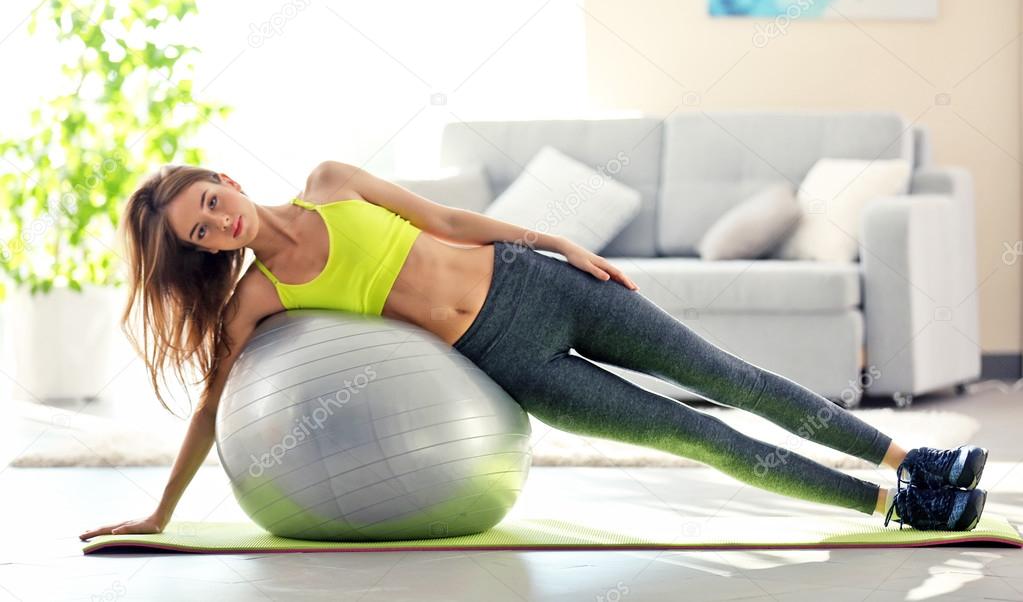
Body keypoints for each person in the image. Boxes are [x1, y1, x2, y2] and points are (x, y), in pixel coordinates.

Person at [79, 161, 989, 541]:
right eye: (201, 235)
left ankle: (919, 457)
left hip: (539, 285)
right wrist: (161, 512)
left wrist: (557, 245)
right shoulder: (261, 300)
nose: (216, 225)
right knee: (699, 437)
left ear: (222, 179)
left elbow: (443, 221)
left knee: (730, 379)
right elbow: (211, 406)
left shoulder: (331, 182)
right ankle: (898, 504)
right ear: (203, 254)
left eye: (207, 203)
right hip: (513, 365)